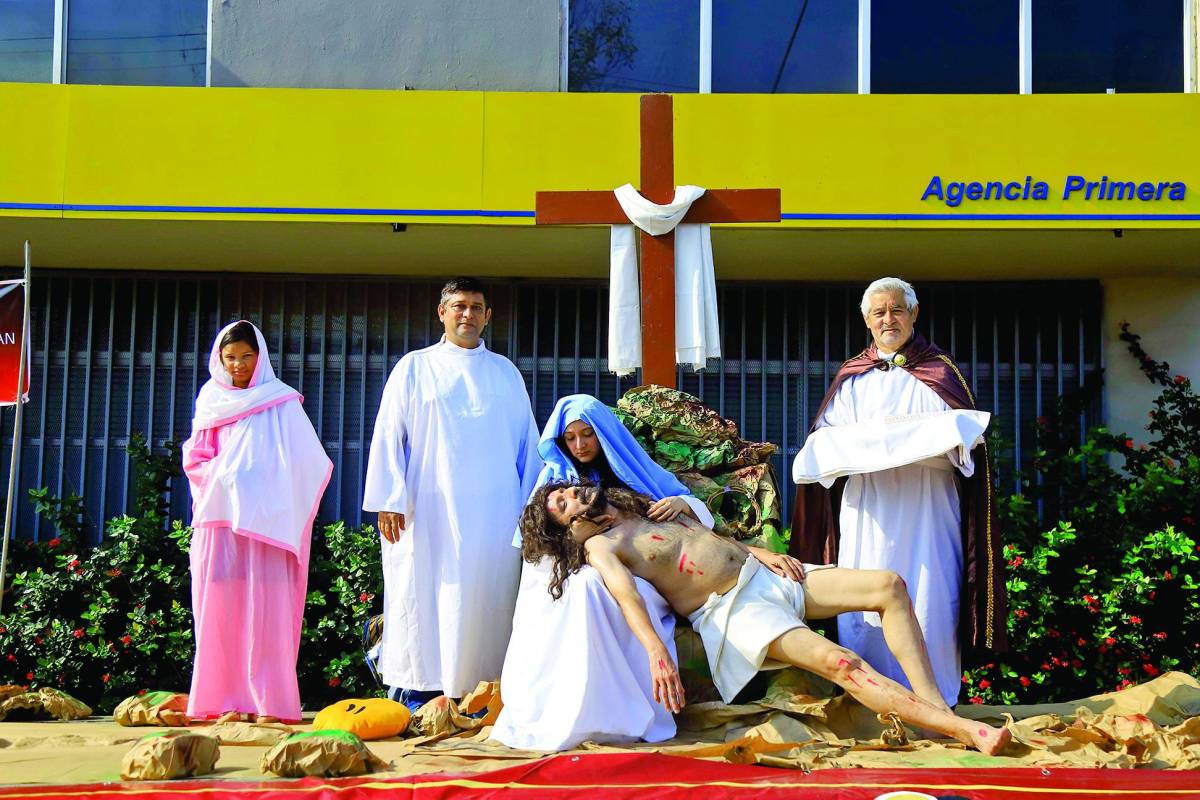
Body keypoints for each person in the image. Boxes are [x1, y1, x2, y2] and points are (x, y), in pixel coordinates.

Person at [522, 480, 1012, 756]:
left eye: (565, 490)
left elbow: (706, 544)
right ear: (567, 526)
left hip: (766, 574)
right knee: (840, 663)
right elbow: (628, 598)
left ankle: (934, 713)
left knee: (889, 586)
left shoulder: (638, 508)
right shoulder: (601, 546)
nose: (570, 496)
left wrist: (759, 551)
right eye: (560, 505)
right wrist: (656, 653)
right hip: (735, 611)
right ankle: (966, 732)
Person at [789, 277, 1007, 708]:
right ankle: (869, 702)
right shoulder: (852, 379)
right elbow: (825, 445)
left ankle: (935, 703)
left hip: (930, 509)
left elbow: (964, 446)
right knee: (864, 599)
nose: (888, 319)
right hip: (868, 510)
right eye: (879, 313)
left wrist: (883, 443)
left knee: (931, 596)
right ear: (867, 321)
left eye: (897, 310)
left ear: (914, 315)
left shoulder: (941, 371)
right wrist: (905, 442)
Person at [493, 394, 722, 750]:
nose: (580, 445)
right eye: (570, 438)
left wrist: (682, 502)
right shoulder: (557, 481)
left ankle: (626, 711)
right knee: (582, 591)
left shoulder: (631, 468)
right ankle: (575, 711)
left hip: (637, 573)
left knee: (598, 591)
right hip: (565, 575)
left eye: (587, 434)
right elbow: (536, 548)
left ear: (604, 434)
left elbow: (684, 513)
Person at [363, 277, 541, 711]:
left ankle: (484, 696)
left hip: (494, 516)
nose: (468, 314)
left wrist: (530, 513)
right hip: (427, 509)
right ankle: (419, 693)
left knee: (486, 600)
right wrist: (388, 497)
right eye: (458, 306)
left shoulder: (506, 373)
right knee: (424, 595)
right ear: (441, 313)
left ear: (488, 316)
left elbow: (527, 446)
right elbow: (390, 433)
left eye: (476, 307)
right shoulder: (414, 367)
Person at [183, 320, 332, 724]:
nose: (239, 365)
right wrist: (228, 476)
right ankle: (223, 700)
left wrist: (262, 481)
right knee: (218, 610)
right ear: (218, 358)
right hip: (220, 526)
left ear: (260, 356)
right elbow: (195, 459)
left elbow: (311, 462)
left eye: (247, 356)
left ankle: (269, 704)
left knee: (269, 613)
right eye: (230, 357)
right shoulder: (210, 400)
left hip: (269, 528)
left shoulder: (280, 401)